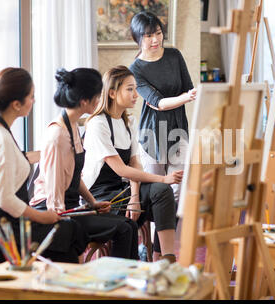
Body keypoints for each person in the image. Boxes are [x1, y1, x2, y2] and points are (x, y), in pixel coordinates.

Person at [0, 68, 88, 268]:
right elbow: (5, 199)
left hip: (2, 223)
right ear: (16, 104)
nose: (34, 101)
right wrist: (43, 216)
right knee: (69, 231)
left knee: (70, 231)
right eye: (31, 96)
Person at [29, 68, 139, 260]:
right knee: (123, 228)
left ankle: (126, 281)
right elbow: (54, 197)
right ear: (84, 101)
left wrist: (92, 203)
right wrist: (63, 221)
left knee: (129, 225)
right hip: (53, 212)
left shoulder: (73, 126)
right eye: (97, 96)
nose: (100, 101)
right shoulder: (57, 136)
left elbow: (74, 176)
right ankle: (117, 280)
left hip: (71, 207)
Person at [82, 65, 182, 263]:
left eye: (136, 88)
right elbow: (120, 168)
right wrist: (162, 177)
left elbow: (134, 164)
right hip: (100, 197)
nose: (136, 94)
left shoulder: (129, 122)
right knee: (163, 186)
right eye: (130, 89)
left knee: (165, 193)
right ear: (112, 93)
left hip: (123, 190)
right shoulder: (97, 124)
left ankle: (164, 259)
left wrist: (135, 196)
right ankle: (147, 262)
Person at [129, 11, 196, 203]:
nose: (155, 39)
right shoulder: (135, 69)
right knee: (157, 192)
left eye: (158, 33)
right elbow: (158, 103)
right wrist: (186, 97)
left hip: (178, 128)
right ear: (138, 38)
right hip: (152, 133)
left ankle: (174, 234)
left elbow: (188, 88)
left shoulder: (174, 55)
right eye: (148, 36)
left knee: (177, 192)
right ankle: (155, 233)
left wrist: (190, 95)